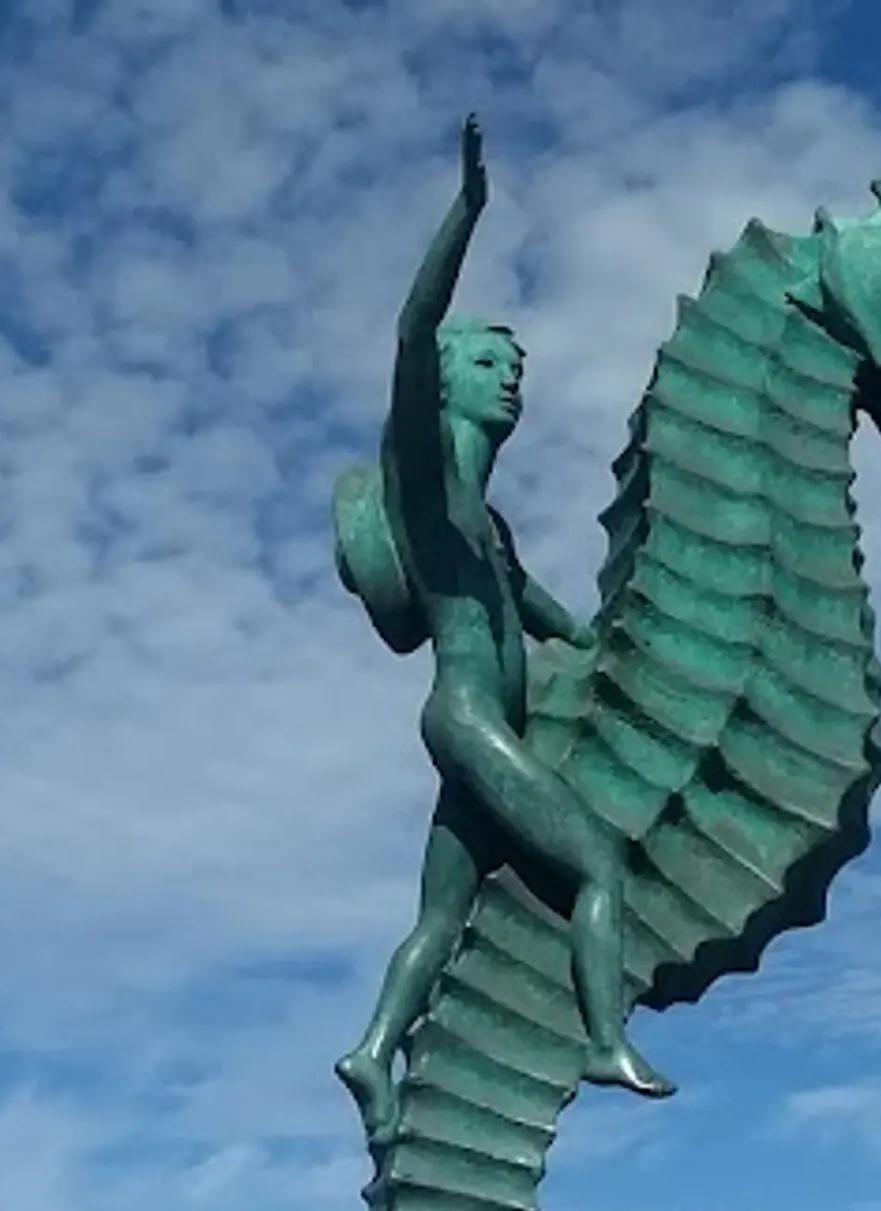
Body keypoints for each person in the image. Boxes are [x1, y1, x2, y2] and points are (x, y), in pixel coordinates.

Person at [333, 115, 671, 1139]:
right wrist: (469, 210)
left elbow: (551, 618)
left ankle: (372, 1052)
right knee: (598, 865)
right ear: (445, 382)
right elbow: (410, 331)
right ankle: (604, 1040)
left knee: (441, 917)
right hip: (469, 718)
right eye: (486, 362)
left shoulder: (490, 527)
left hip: (484, 732)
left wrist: (619, 637)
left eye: (513, 366)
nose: (510, 376)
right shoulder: (427, 486)